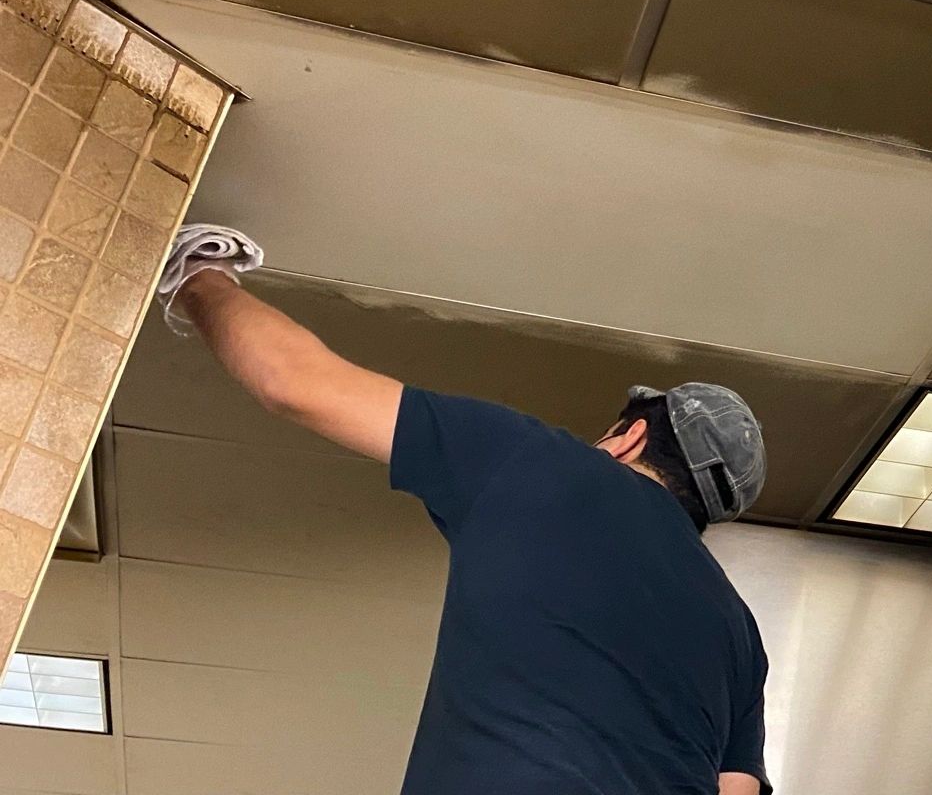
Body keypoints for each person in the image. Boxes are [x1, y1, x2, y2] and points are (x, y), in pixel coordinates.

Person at [164, 249, 774, 795]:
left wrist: (198, 275)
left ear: (630, 436)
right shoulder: (740, 635)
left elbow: (296, 384)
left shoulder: (542, 464)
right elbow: (735, 789)